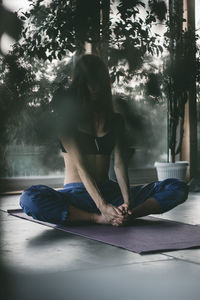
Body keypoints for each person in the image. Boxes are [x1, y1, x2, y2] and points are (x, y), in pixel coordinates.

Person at [19, 54, 189, 227]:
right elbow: (82, 168)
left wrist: (127, 202)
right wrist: (103, 207)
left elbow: (120, 165)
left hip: (110, 191)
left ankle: (125, 216)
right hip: (77, 194)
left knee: (178, 187)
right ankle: (96, 218)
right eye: (89, 82)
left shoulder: (115, 121)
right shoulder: (68, 122)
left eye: (98, 81)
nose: (94, 87)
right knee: (29, 199)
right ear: (81, 84)